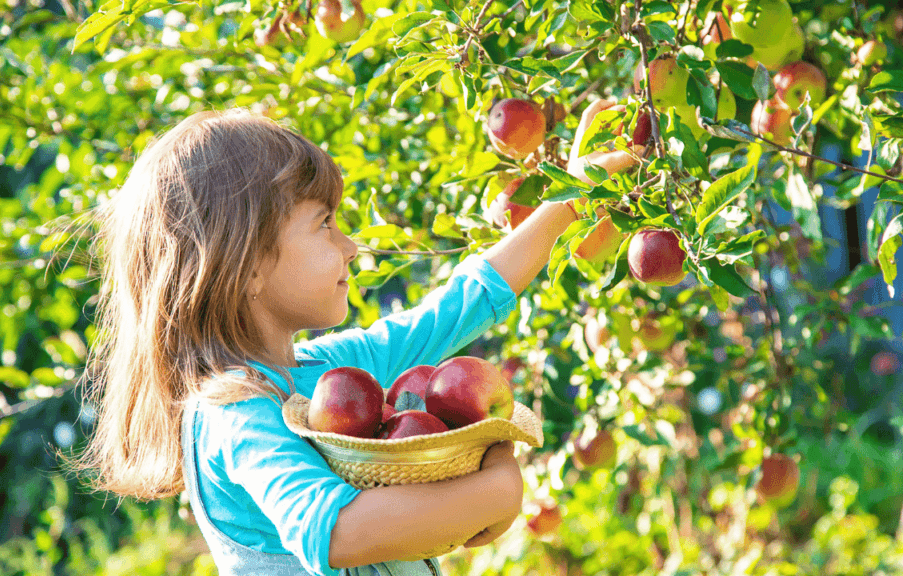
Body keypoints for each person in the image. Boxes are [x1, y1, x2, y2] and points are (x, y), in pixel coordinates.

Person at [68, 100, 639, 575]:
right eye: (325, 224)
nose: (351, 247)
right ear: (247, 266)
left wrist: (567, 199)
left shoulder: (331, 372)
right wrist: (500, 488)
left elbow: (462, 304)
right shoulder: (233, 412)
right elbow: (338, 532)